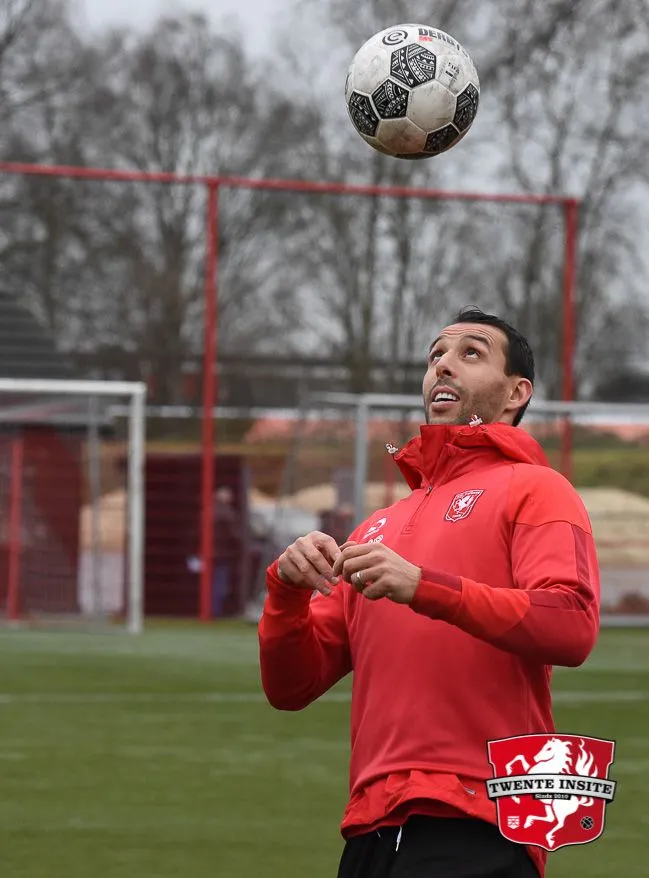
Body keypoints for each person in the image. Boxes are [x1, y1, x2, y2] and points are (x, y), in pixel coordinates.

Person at [258, 306, 600, 878]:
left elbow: (571, 624)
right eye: (436, 355)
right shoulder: (378, 526)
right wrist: (285, 594)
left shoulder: (538, 489)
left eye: (471, 353)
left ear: (517, 392)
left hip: (484, 818)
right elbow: (292, 687)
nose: (444, 365)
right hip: (370, 825)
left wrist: (424, 586)